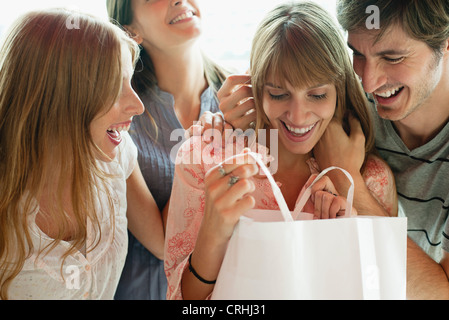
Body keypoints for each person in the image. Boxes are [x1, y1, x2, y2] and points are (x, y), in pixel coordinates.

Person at [164, 1, 397, 300]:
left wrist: (349, 239)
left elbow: (388, 290)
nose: (298, 117)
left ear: (341, 90)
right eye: (279, 94)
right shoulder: (205, 159)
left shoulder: (371, 180)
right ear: (255, 87)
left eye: (317, 94)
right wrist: (213, 234)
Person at [0, 9, 164, 300]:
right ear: (58, 98)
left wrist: (199, 159)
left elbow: (164, 244)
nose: (137, 106)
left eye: (130, 83)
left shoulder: (118, 153)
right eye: (115, 87)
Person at [309, 0, 449, 299]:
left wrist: (350, 182)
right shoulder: (347, 101)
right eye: (358, 54)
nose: (369, 82)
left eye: (393, 57)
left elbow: (440, 292)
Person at [106, 0, 230, 300]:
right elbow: (166, 244)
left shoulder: (244, 95)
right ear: (130, 29)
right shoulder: (115, 111)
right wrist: (207, 148)